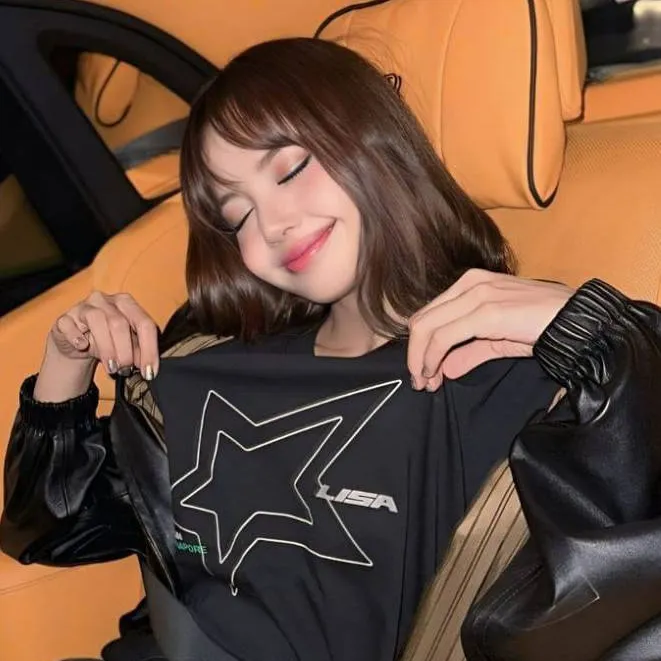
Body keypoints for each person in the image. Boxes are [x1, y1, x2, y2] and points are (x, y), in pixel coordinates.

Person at [2, 37, 661, 661]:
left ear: (376, 140)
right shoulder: (213, 358)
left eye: (290, 169)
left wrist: (601, 333)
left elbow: (623, 567)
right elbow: (50, 528)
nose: (273, 224)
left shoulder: (520, 379)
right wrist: (67, 360)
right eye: (237, 214)